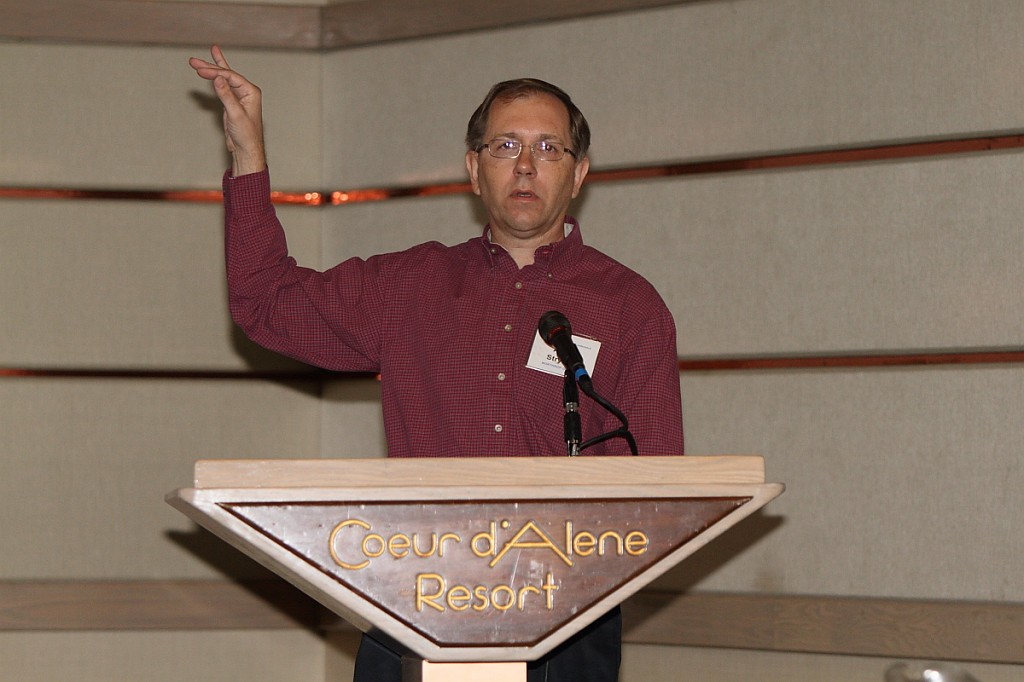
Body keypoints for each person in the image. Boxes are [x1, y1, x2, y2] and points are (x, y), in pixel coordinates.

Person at [190, 45, 683, 682]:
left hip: (566, 620)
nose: (525, 165)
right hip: (416, 599)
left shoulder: (629, 307)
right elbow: (268, 303)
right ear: (474, 169)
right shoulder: (413, 286)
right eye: (505, 146)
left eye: (548, 148)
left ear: (579, 172)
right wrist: (248, 154)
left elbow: (660, 494)